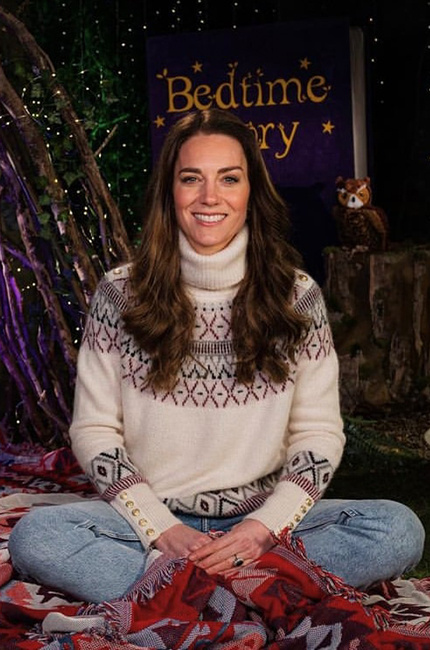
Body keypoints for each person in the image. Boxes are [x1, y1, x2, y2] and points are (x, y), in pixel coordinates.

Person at [9, 108, 425, 605]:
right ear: (170, 191)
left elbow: (317, 434)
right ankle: (258, 595)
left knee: (398, 529)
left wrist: (263, 529)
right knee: (36, 537)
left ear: (251, 191)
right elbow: (95, 430)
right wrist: (162, 529)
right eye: (191, 179)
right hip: (151, 523)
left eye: (229, 178)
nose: (210, 197)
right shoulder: (121, 294)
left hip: (262, 522)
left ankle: (184, 597)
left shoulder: (297, 296)